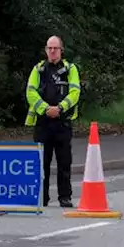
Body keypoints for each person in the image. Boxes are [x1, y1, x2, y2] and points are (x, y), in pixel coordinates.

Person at [25, 36, 81, 207]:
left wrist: (60, 108)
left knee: (64, 162)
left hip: (62, 122)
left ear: (61, 50)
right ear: (46, 50)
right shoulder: (38, 69)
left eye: (55, 48)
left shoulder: (70, 69)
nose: (52, 51)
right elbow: (30, 92)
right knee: (42, 163)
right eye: (49, 48)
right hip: (43, 123)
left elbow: (75, 93)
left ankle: (65, 197)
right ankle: (42, 197)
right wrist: (45, 109)